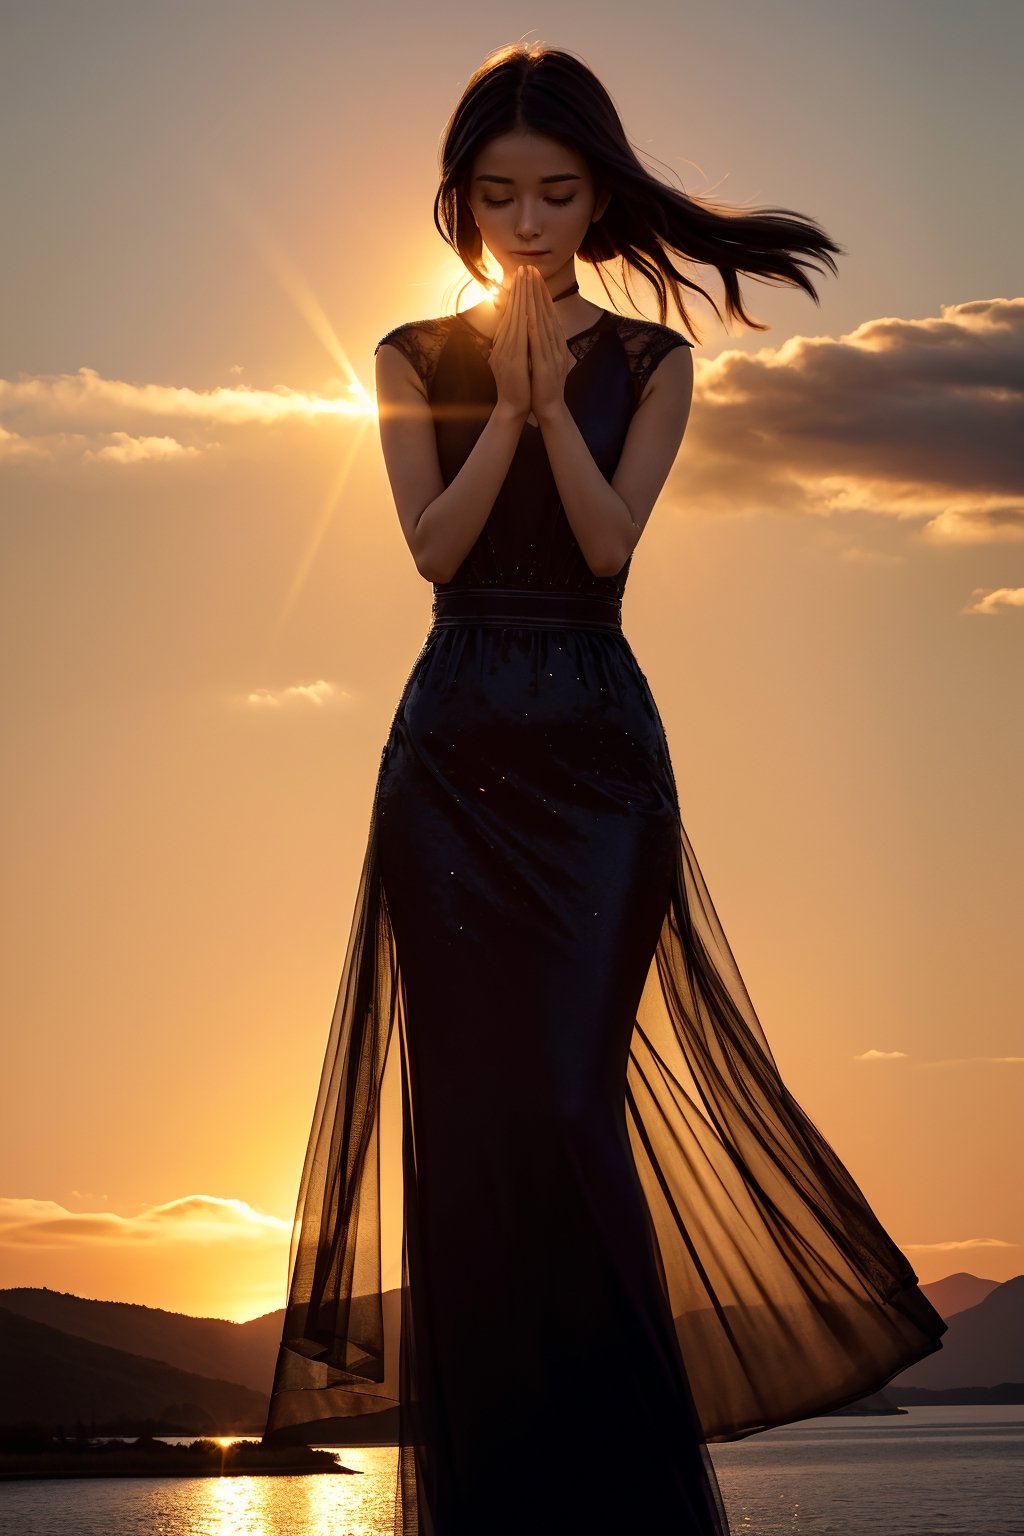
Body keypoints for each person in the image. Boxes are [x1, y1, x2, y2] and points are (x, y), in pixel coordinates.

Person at [262, 41, 947, 1535]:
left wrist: (555, 405)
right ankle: (496, 1502)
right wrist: (500, 405)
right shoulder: (402, 356)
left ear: (598, 197)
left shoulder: (654, 363)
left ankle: (619, 1497)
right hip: (449, 763)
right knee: (473, 1131)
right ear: (460, 199)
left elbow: (606, 551)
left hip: (593, 765)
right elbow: (435, 555)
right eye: (498, 195)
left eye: (557, 194)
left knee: (571, 1106)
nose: (526, 222)